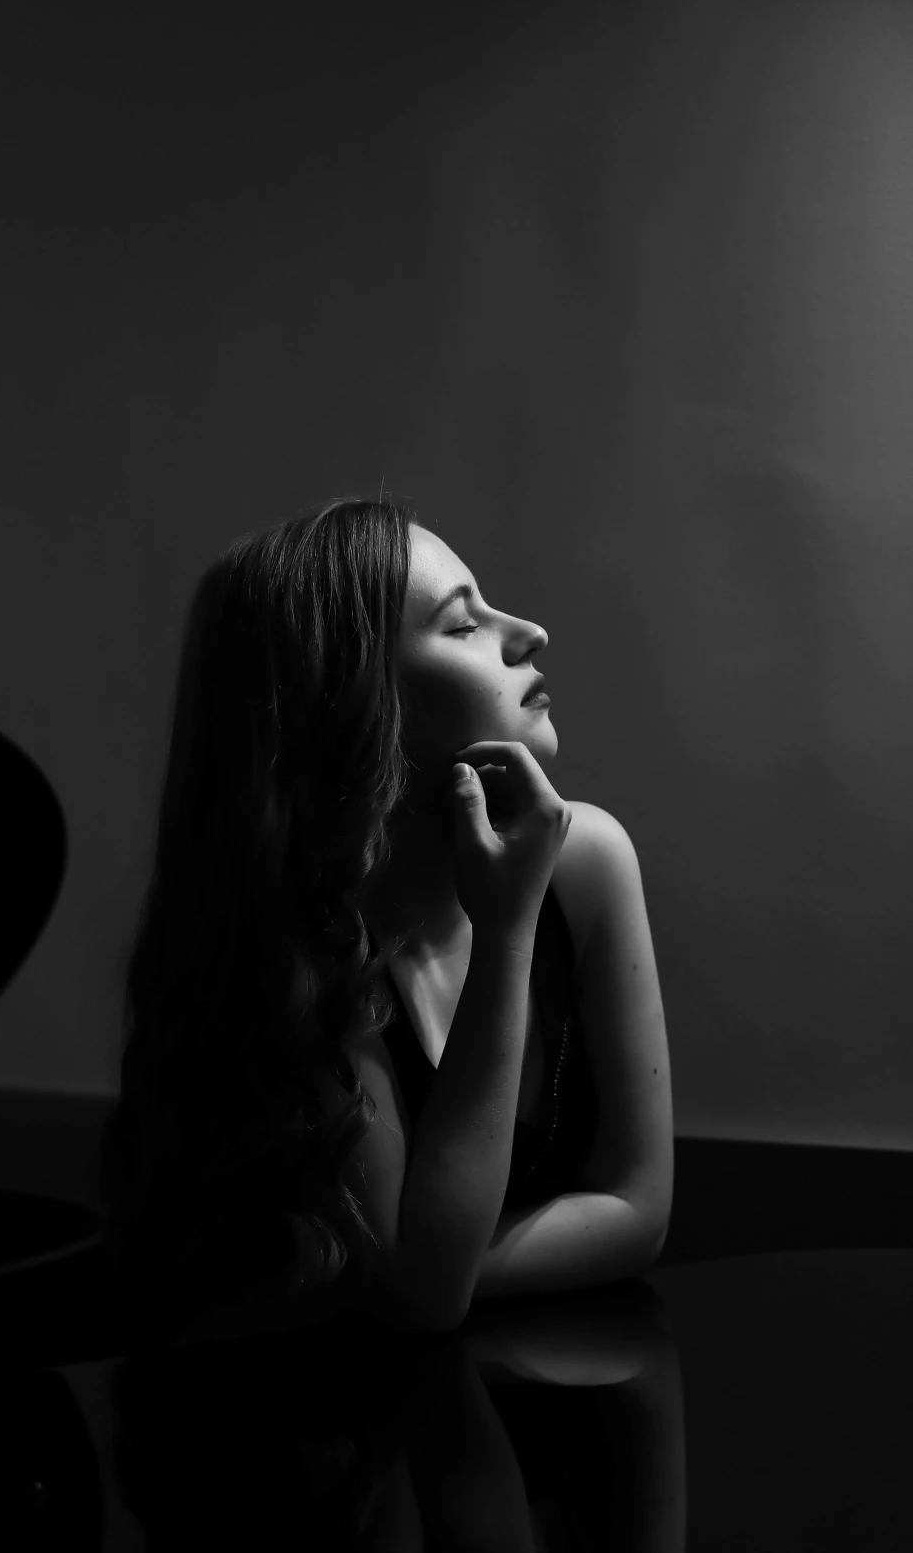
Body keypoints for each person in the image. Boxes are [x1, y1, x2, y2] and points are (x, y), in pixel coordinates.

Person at [98, 496, 673, 1346]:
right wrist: (505, 937)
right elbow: (419, 1304)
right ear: (361, 707)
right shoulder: (304, 945)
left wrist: (414, 1272)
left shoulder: (584, 859)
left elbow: (635, 1211)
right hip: (329, 1440)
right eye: (461, 626)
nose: (528, 632)